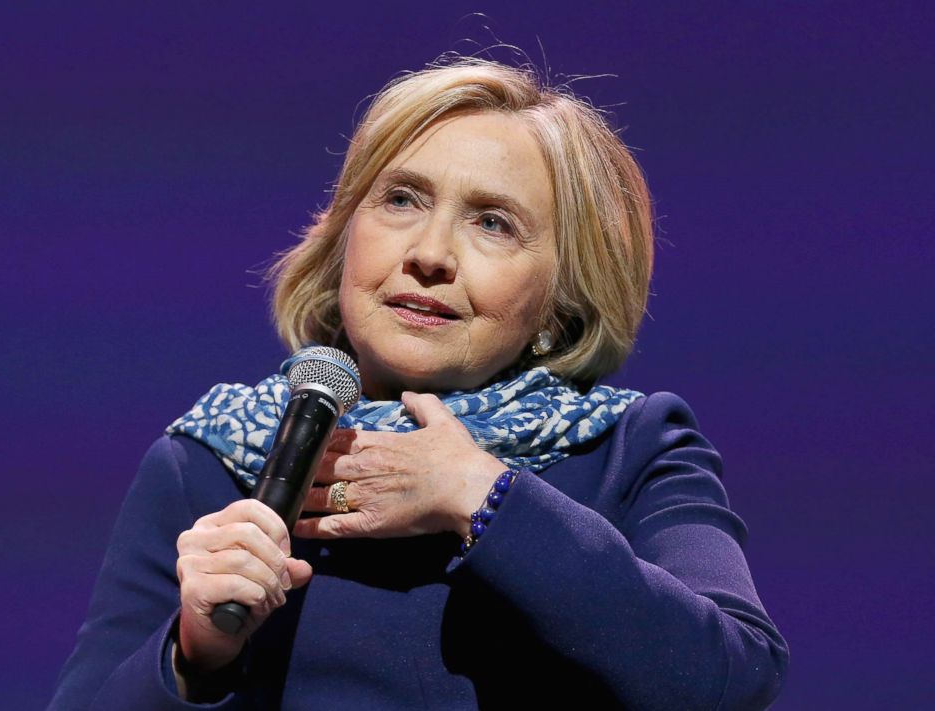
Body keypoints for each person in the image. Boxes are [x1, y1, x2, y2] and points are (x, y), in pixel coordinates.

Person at [48, 56, 789, 709]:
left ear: (560, 301)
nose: (430, 253)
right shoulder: (209, 462)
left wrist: (486, 495)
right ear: (345, 237)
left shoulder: (629, 447)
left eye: (493, 222)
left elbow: (731, 676)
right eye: (401, 199)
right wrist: (194, 653)